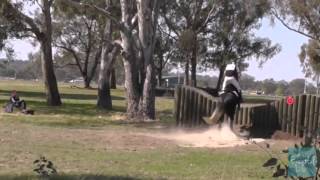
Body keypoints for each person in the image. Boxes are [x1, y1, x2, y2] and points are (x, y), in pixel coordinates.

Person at [203, 63, 243, 130]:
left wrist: (223, 90)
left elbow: (224, 87)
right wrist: (240, 96)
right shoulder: (234, 77)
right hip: (232, 92)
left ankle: (218, 125)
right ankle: (231, 128)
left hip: (224, 92)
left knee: (221, 98)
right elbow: (238, 88)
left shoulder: (226, 76)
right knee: (231, 113)